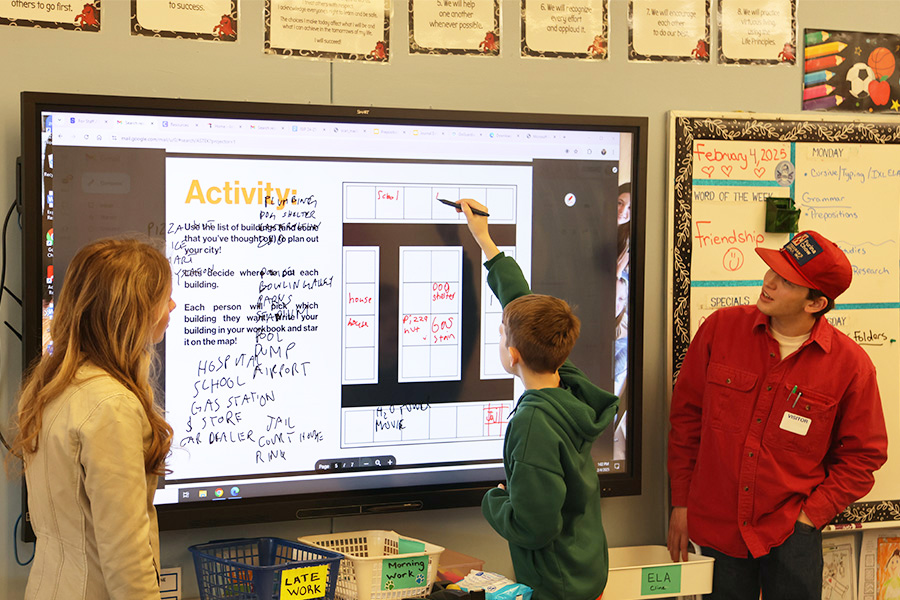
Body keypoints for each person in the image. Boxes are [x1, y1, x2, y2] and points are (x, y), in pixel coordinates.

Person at [667, 230, 888, 599]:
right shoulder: (720, 329)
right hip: (716, 529)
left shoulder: (850, 366)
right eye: (772, 269)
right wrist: (681, 502)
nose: (768, 281)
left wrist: (809, 516)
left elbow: (864, 456)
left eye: (786, 280)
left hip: (791, 534)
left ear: (815, 304)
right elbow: (686, 420)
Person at [457, 198, 619, 600]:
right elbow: (522, 304)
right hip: (586, 572)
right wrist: (486, 242)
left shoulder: (532, 423)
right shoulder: (569, 383)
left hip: (555, 585)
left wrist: (495, 500)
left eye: (500, 335)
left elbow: (535, 526)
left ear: (513, 355)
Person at [11, 238, 176, 600]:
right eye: (165, 298)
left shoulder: (51, 388)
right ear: (134, 312)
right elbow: (126, 555)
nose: (173, 307)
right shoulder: (112, 405)